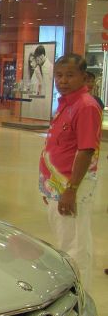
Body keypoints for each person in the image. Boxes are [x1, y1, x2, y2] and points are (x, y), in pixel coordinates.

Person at [39, 54, 101, 291]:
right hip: (59, 185)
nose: (63, 81)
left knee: (75, 245)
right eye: (59, 75)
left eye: (70, 75)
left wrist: (71, 190)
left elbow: (86, 150)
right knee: (65, 240)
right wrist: (49, 188)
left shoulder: (85, 106)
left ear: (84, 77)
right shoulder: (66, 104)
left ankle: (79, 295)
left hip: (71, 186)